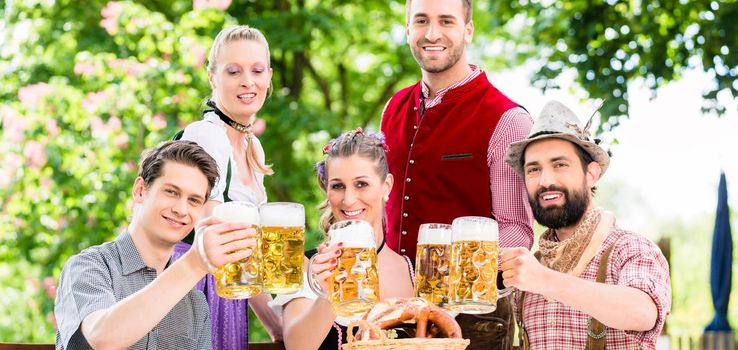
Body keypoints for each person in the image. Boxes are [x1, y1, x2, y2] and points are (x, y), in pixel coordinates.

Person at [380, 0, 534, 347]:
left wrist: (453, 280)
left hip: (473, 320)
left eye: (446, 21)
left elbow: (518, 230)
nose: (432, 33)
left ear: (468, 30)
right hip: (394, 313)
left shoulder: (508, 119)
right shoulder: (393, 108)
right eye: (421, 21)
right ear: (408, 30)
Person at [54, 140, 258, 349]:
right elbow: (102, 338)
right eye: (171, 192)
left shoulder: (195, 304)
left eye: (194, 200)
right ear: (140, 190)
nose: (181, 209)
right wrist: (195, 263)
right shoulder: (90, 266)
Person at [500, 101, 672, 349]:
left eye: (560, 164)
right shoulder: (531, 269)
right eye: (534, 169)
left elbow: (643, 313)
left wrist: (545, 280)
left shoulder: (630, 249)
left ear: (591, 174)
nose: (546, 180)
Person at [170, 25, 282, 348]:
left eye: (257, 70)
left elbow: (249, 258)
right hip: (193, 291)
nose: (248, 81)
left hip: (229, 296)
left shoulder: (253, 147)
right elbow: (218, 243)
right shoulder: (206, 136)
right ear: (212, 77)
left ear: (269, 76)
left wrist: (278, 327)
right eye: (234, 71)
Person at [273, 128, 415, 350]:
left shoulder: (413, 272)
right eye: (338, 186)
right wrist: (329, 293)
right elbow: (297, 346)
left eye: (361, 184)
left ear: (386, 186)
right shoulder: (306, 264)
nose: (348, 200)